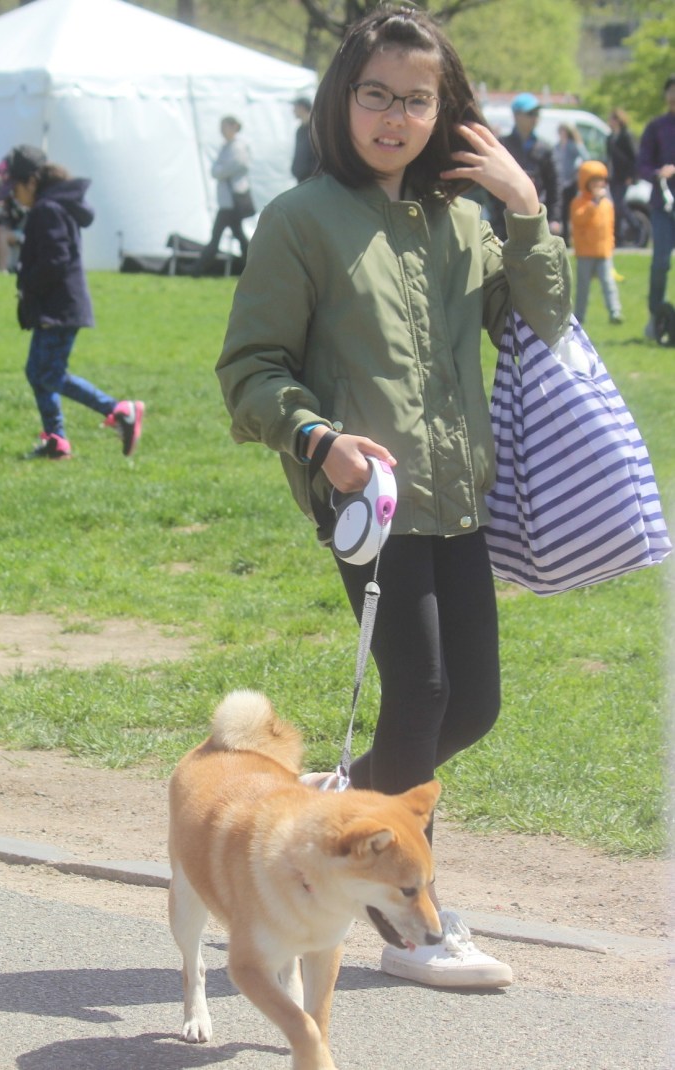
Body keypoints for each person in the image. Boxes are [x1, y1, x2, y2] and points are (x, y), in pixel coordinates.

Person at [216, 6, 571, 990]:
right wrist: (316, 438)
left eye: (416, 99)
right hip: (365, 497)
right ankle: (409, 924)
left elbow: (545, 316)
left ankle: (322, 831)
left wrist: (523, 205)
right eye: (374, 93)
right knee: (419, 693)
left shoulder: (462, 219)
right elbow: (249, 368)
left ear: (445, 111)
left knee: (476, 700)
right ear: (343, 99)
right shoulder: (302, 219)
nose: (393, 116)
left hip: (460, 497)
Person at [5, 145, 144, 460]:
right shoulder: (51, 206)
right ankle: (56, 441)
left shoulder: (47, 209)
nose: (13, 194)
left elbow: (56, 258)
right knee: (36, 371)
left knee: (50, 374)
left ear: (30, 182)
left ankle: (120, 410)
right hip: (57, 306)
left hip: (59, 308)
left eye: (14, 186)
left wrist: (28, 280)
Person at [490, 92, 562, 240]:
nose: (535, 117)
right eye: (530, 113)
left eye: (537, 113)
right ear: (516, 116)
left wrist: (554, 218)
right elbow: (491, 181)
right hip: (505, 218)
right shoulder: (502, 144)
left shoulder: (544, 148)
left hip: (536, 215)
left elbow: (554, 185)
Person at [637, 74, 675, 340]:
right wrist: (658, 173)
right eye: (671, 92)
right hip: (662, 207)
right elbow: (642, 165)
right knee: (660, 262)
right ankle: (656, 316)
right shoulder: (656, 127)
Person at [190, 116, 252, 275]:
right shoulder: (226, 146)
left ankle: (198, 269)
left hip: (232, 202)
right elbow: (216, 170)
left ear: (233, 127)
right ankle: (252, 265)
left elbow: (233, 167)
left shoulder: (238, 146)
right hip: (227, 201)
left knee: (218, 236)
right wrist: (219, 171)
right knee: (238, 235)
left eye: (224, 127)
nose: (221, 131)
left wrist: (220, 171)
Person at [570, 160, 623, 325]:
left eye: (601, 181)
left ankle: (615, 311)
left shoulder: (607, 204)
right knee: (583, 287)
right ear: (585, 183)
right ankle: (579, 315)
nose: (598, 185)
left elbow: (609, 226)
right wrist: (593, 204)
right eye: (593, 181)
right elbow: (579, 220)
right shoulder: (579, 203)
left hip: (603, 252)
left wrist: (611, 244)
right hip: (586, 252)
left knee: (609, 283)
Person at [553, 122, 588, 246]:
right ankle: (565, 238)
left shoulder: (573, 145)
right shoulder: (557, 146)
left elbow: (585, 156)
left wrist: (577, 171)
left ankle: (573, 236)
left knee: (570, 209)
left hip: (571, 182)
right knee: (562, 211)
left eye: (563, 131)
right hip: (561, 182)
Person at [606, 108, 637, 246]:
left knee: (620, 204)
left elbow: (634, 157)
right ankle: (619, 236)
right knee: (615, 207)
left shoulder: (626, 136)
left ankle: (637, 227)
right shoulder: (610, 137)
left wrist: (632, 175)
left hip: (624, 176)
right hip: (613, 176)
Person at [291, 96, 319, 183]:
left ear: (302, 108)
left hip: (313, 180)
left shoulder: (316, 129)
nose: (293, 111)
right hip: (301, 179)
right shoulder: (299, 130)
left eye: (295, 107)